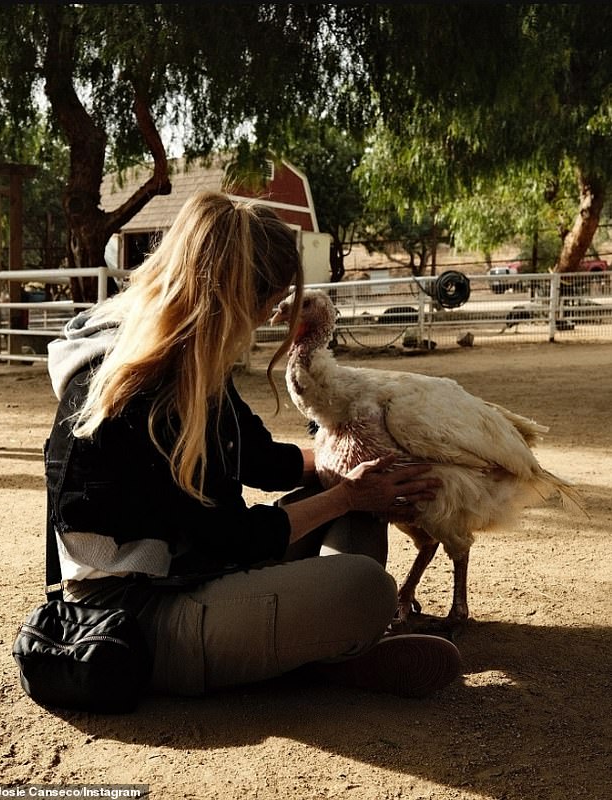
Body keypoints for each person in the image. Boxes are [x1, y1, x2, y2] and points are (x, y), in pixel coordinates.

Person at [44, 190, 462, 699]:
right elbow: (225, 536)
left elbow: (263, 461)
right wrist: (347, 493)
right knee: (367, 587)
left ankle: (308, 648)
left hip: (198, 571)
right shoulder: (142, 390)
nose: (270, 316)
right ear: (233, 294)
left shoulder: (193, 360)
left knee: (357, 506)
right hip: (137, 613)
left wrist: (358, 464)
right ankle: (319, 658)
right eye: (269, 299)